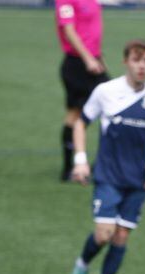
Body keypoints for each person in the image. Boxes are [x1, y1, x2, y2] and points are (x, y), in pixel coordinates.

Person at [68, 40, 145, 274]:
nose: (142, 66)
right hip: (109, 175)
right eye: (137, 60)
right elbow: (81, 123)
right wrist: (79, 161)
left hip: (138, 180)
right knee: (103, 234)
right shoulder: (106, 91)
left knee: (121, 236)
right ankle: (82, 265)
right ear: (126, 62)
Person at [55, 0, 109, 181]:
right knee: (76, 114)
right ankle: (70, 167)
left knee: (112, 107)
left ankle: (101, 163)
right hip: (78, 64)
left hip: (93, 61)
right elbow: (69, 30)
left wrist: (98, 58)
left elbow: (92, 31)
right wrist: (87, 59)